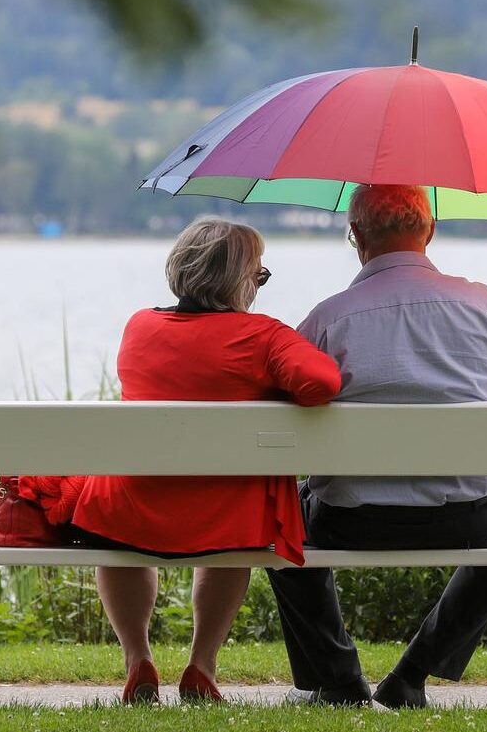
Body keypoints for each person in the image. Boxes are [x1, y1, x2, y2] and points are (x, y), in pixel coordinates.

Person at [267, 184, 487, 709]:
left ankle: (338, 680)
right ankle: (413, 674)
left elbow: (278, 422)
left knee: (279, 521)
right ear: (430, 231)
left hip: (350, 519)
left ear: (356, 236)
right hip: (474, 516)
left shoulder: (329, 319)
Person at [69, 217, 340, 704]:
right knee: (232, 509)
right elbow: (320, 384)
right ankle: (202, 665)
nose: (258, 286)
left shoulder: (140, 327)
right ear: (240, 280)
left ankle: (137, 659)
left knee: (120, 508)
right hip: (222, 518)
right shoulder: (263, 338)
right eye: (259, 275)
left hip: (130, 510)